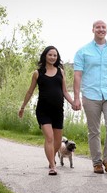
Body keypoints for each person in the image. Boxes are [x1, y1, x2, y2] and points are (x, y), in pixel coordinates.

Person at [73, 20, 107, 174]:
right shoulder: (83, 51)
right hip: (90, 95)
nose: (101, 29)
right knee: (93, 130)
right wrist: (76, 98)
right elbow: (77, 75)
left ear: (106, 30)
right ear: (93, 30)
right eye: (98, 27)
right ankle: (96, 163)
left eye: (103, 27)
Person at [18, 45, 74, 176]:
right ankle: (53, 166)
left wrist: (73, 103)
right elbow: (30, 91)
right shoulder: (38, 73)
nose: (53, 57)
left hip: (58, 111)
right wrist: (22, 107)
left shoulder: (61, 72)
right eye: (50, 55)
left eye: (55, 55)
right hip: (43, 110)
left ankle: (51, 158)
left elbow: (65, 91)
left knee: (57, 140)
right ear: (45, 56)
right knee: (49, 138)